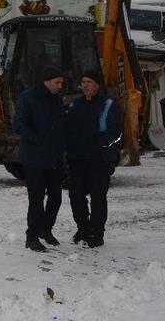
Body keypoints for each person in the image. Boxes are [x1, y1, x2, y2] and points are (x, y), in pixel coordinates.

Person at [64, 69, 122, 248]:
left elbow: (116, 133)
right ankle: (83, 227)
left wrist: (101, 148)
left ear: (97, 84)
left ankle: (97, 232)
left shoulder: (109, 105)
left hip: (99, 160)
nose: (85, 85)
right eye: (83, 82)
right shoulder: (74, 105)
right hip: (77, 160)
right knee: (76, 196)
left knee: (98, 198)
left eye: (89, 81)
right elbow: (66, 129)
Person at [12, 66, 66, 252]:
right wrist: (38, 139)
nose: (60, 86)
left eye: (61, 83)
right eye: (57, 82)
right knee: (36, 199)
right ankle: (32, 237)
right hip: (34, 157)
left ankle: (45, 229)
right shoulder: (28, 97)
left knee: (56, 198)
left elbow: (60, 126)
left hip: (53, 157)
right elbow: (19, 124)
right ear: (47, 81)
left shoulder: (57, 100)